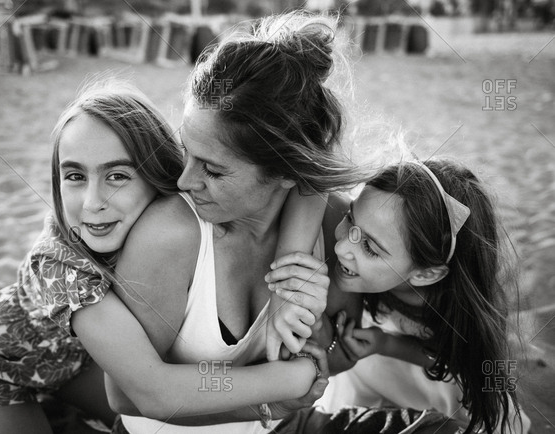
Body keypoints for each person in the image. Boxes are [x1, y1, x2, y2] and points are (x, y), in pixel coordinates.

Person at [102, 12, 462, 434]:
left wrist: (319, 338)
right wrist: (268, 400)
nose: (184, 181)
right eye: (187, 151)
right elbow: (125, 395)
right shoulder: (169, 235)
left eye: (213, 171)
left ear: (286, 174)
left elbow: (336, 354)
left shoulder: (335, 227)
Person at [0, 79, 327, 434]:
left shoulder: (187, 190)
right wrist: (284, 386)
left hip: (84, 363)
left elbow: (309, 178)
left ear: (158, 171)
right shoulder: (60, 267)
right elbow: (150, 392)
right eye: (74, 176)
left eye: (117, 176)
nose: (93, 204)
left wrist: (285, 287)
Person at [274, 158, 530, 433]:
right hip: (385, 361)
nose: (341, 247)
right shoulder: (376, 252)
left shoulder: (454, 308)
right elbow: (310, 178)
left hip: (449, 376)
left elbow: (456, 360)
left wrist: (386, 344)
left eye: (370, 248)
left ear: (424, 275)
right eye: (350, 219)